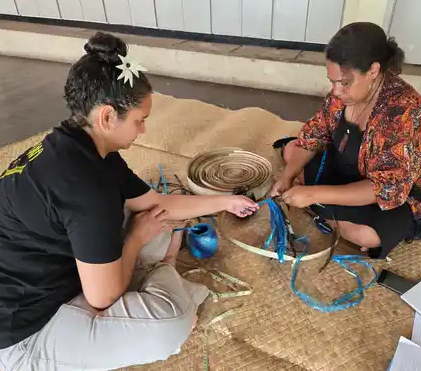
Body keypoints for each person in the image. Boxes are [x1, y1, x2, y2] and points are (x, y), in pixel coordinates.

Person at [0, 32, 259, 371]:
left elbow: (155, 202)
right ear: (108, 117)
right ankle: (164, 268)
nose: (143, 131)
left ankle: (152, 267)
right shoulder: (87, 187)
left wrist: (225, 201)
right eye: (139, 120)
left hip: (38, 267)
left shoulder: (84, 147)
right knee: (171, 323)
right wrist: (135, 238)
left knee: (153, 218)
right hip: (20, 331)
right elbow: (102, 297)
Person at [271, 22, 421, 259]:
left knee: (366, 235)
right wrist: (287, 176)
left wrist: (313, 194)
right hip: (349, 168)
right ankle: (326, 207)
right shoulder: (341, 96)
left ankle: (322, 209)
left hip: (396, 192)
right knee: (292, 152)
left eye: (344, 83)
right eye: (332, 82)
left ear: (373, 71)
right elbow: (314, 135)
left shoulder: (404, 112)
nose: (336, 91)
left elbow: (387, 187)